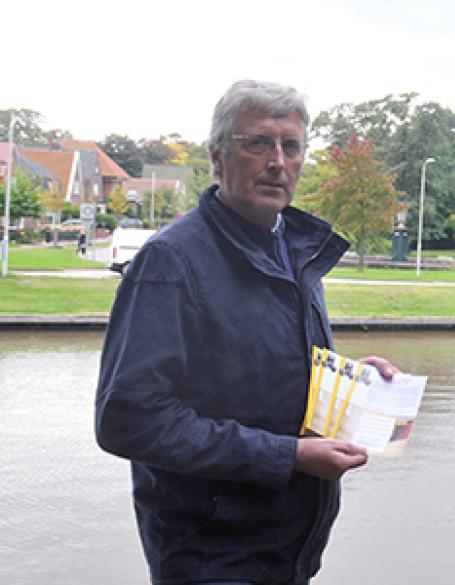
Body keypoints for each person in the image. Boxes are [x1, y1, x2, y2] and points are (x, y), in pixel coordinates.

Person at [94, 80, 398, 585]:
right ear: (217, 157)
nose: (277, 161)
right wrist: (289, 455)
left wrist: (347, 381)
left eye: (291, 145)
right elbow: (127, 420)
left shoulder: (293, 249)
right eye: (258, 143)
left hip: (287, 552)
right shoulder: (171, 263)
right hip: (213, 559)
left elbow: (262, 369)